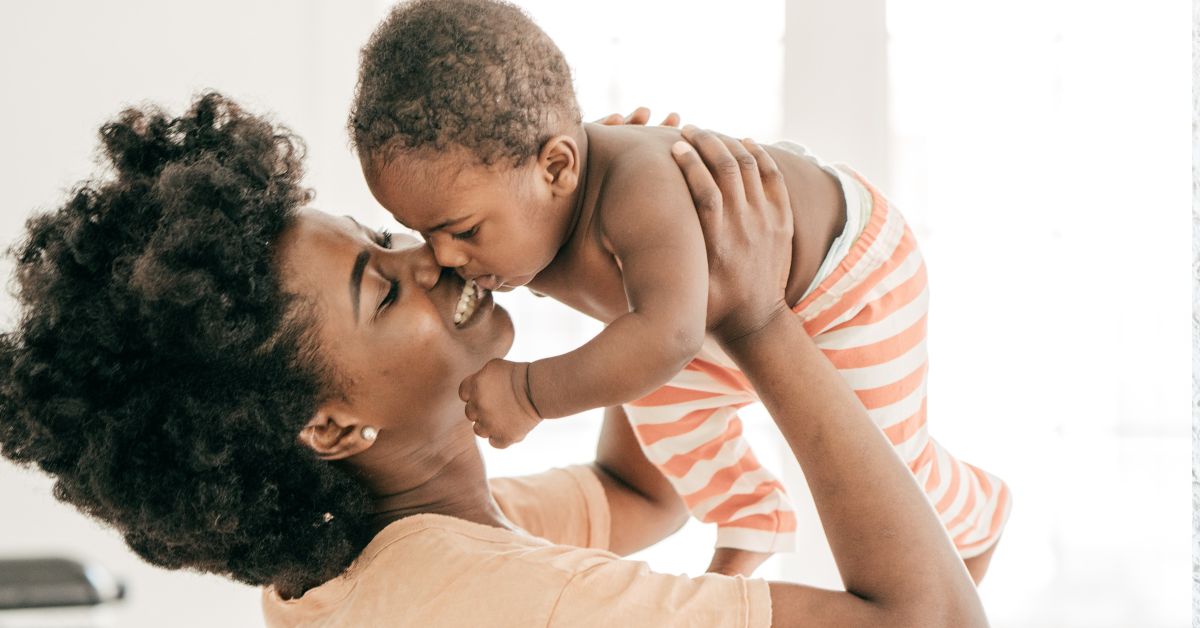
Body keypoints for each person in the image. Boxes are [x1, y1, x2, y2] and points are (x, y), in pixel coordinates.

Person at [0, 93, 987, 626]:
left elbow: (638, 494)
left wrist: (639, 265)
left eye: (379, 233)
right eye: (382, 287)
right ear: (334, 425)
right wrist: (760, 320)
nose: (426, 255)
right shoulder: (507, 602)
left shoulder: (358, 559)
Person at [349, 0, 1010, 577]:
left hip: (846, 281)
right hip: (712, 320)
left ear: (557, 166)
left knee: (885, 462)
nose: (440, 256)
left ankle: (976, 512)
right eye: (416, 231)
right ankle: (752, 518)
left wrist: (531, 391)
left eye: (458, 229)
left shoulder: (639, 186)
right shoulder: (533, 212)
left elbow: (668, 334)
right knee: (667, 414)